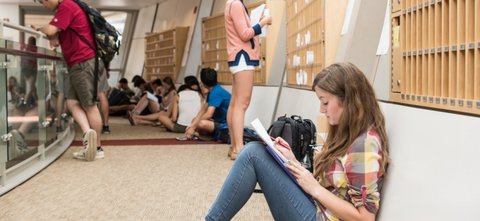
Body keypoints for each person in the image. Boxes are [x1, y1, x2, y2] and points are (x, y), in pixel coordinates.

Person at [205, 63, 389, 221]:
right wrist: (292, 161)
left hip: (321, 215)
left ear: (347, 100)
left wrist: (315, 188)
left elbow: (365, 217)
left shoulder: (363, 144)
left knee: (253, 154)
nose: (321, 109)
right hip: (317, 207)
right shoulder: (348, 132)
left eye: (325, 102)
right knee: (256, 151)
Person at [36, 0, 105, 161]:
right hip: (78, 63)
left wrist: (43, 29)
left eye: (42, 1)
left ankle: (97, 148)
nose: (44, 5)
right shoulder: (67, 7)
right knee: (72, 103)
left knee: (90, 106)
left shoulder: (66, 6)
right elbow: (59, 34)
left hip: (83, 62)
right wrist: (54, 36)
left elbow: (51, 28)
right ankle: (89, 137)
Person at [224, 0, 272, 160]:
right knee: (241, 104)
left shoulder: (230, 3)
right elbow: (245, 34)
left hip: (238, 58)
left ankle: (234, 146)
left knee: (235, 103)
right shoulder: (236, 4)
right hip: (243, 58)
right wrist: (263, 22)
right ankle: (239, 148)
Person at [131, 76, 203, 132]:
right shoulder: (199, 96)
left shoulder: (177, 94)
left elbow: (174, 118)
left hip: (179, 123)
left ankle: (137, 117)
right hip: (194, 123)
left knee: (162, 116)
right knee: (162, 115)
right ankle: (138, 120)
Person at [185, 68, 231, 140]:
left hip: (226, 125)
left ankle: (205, 135)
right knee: (195, 120)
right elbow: (203, 110)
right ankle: (201, 134)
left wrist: (193, 127)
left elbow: (208, 114)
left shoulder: (216, 92)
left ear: (203, 82)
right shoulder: (213, 90)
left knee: (201, 123)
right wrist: (192, 125)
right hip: (218, 121)